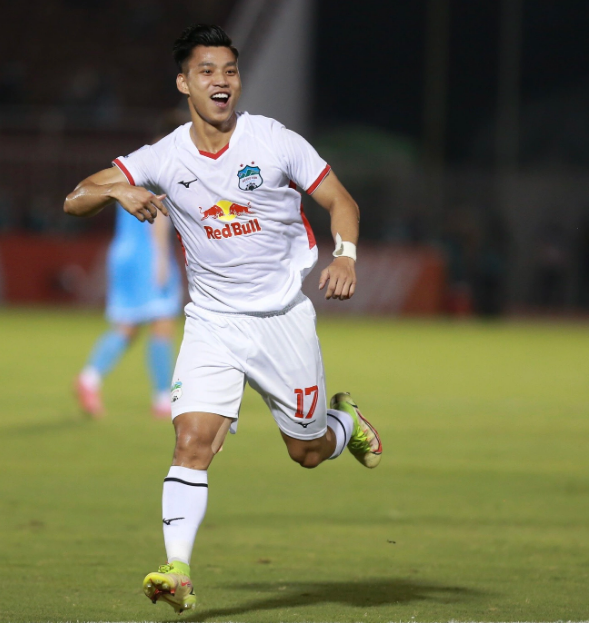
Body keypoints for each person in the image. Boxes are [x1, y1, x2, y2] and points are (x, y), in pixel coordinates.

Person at [63, 24, 382, 614]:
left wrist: (345, 255)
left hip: (282, 319)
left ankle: (346, 424)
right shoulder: (164, 156)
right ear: (184, 83)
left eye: (230, 71)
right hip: (212, 322)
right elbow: (74, 196)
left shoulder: (273, 140)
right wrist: (115, 192)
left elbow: (341, 200)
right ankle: (177, 570)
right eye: (207, 71)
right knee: (191, 442)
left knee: (307, 452)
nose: (221, 81)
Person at [75, 192, 182, 419]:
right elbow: (156, 212)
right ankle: (163, 399)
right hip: (147, 253)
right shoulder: (158, 172)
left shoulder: (129, 174)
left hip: (123, 250)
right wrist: (162, 258)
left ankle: (89, 378)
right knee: (162, 323)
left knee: (127, 327)